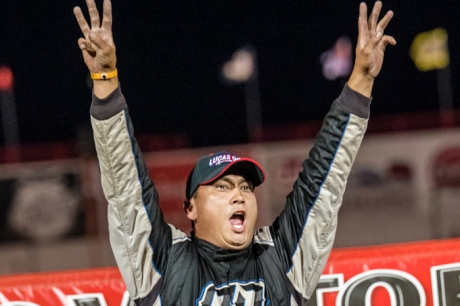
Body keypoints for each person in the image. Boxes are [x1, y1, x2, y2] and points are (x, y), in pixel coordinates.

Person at [73, 0, 395, 304]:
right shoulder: (164, 263)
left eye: (245, 187)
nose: (239, 196)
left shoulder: (283, 258)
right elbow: (126, 186)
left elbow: (324, 180)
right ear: (191, 209)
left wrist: (362, 79)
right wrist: (105, 81)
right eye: (222, 187)